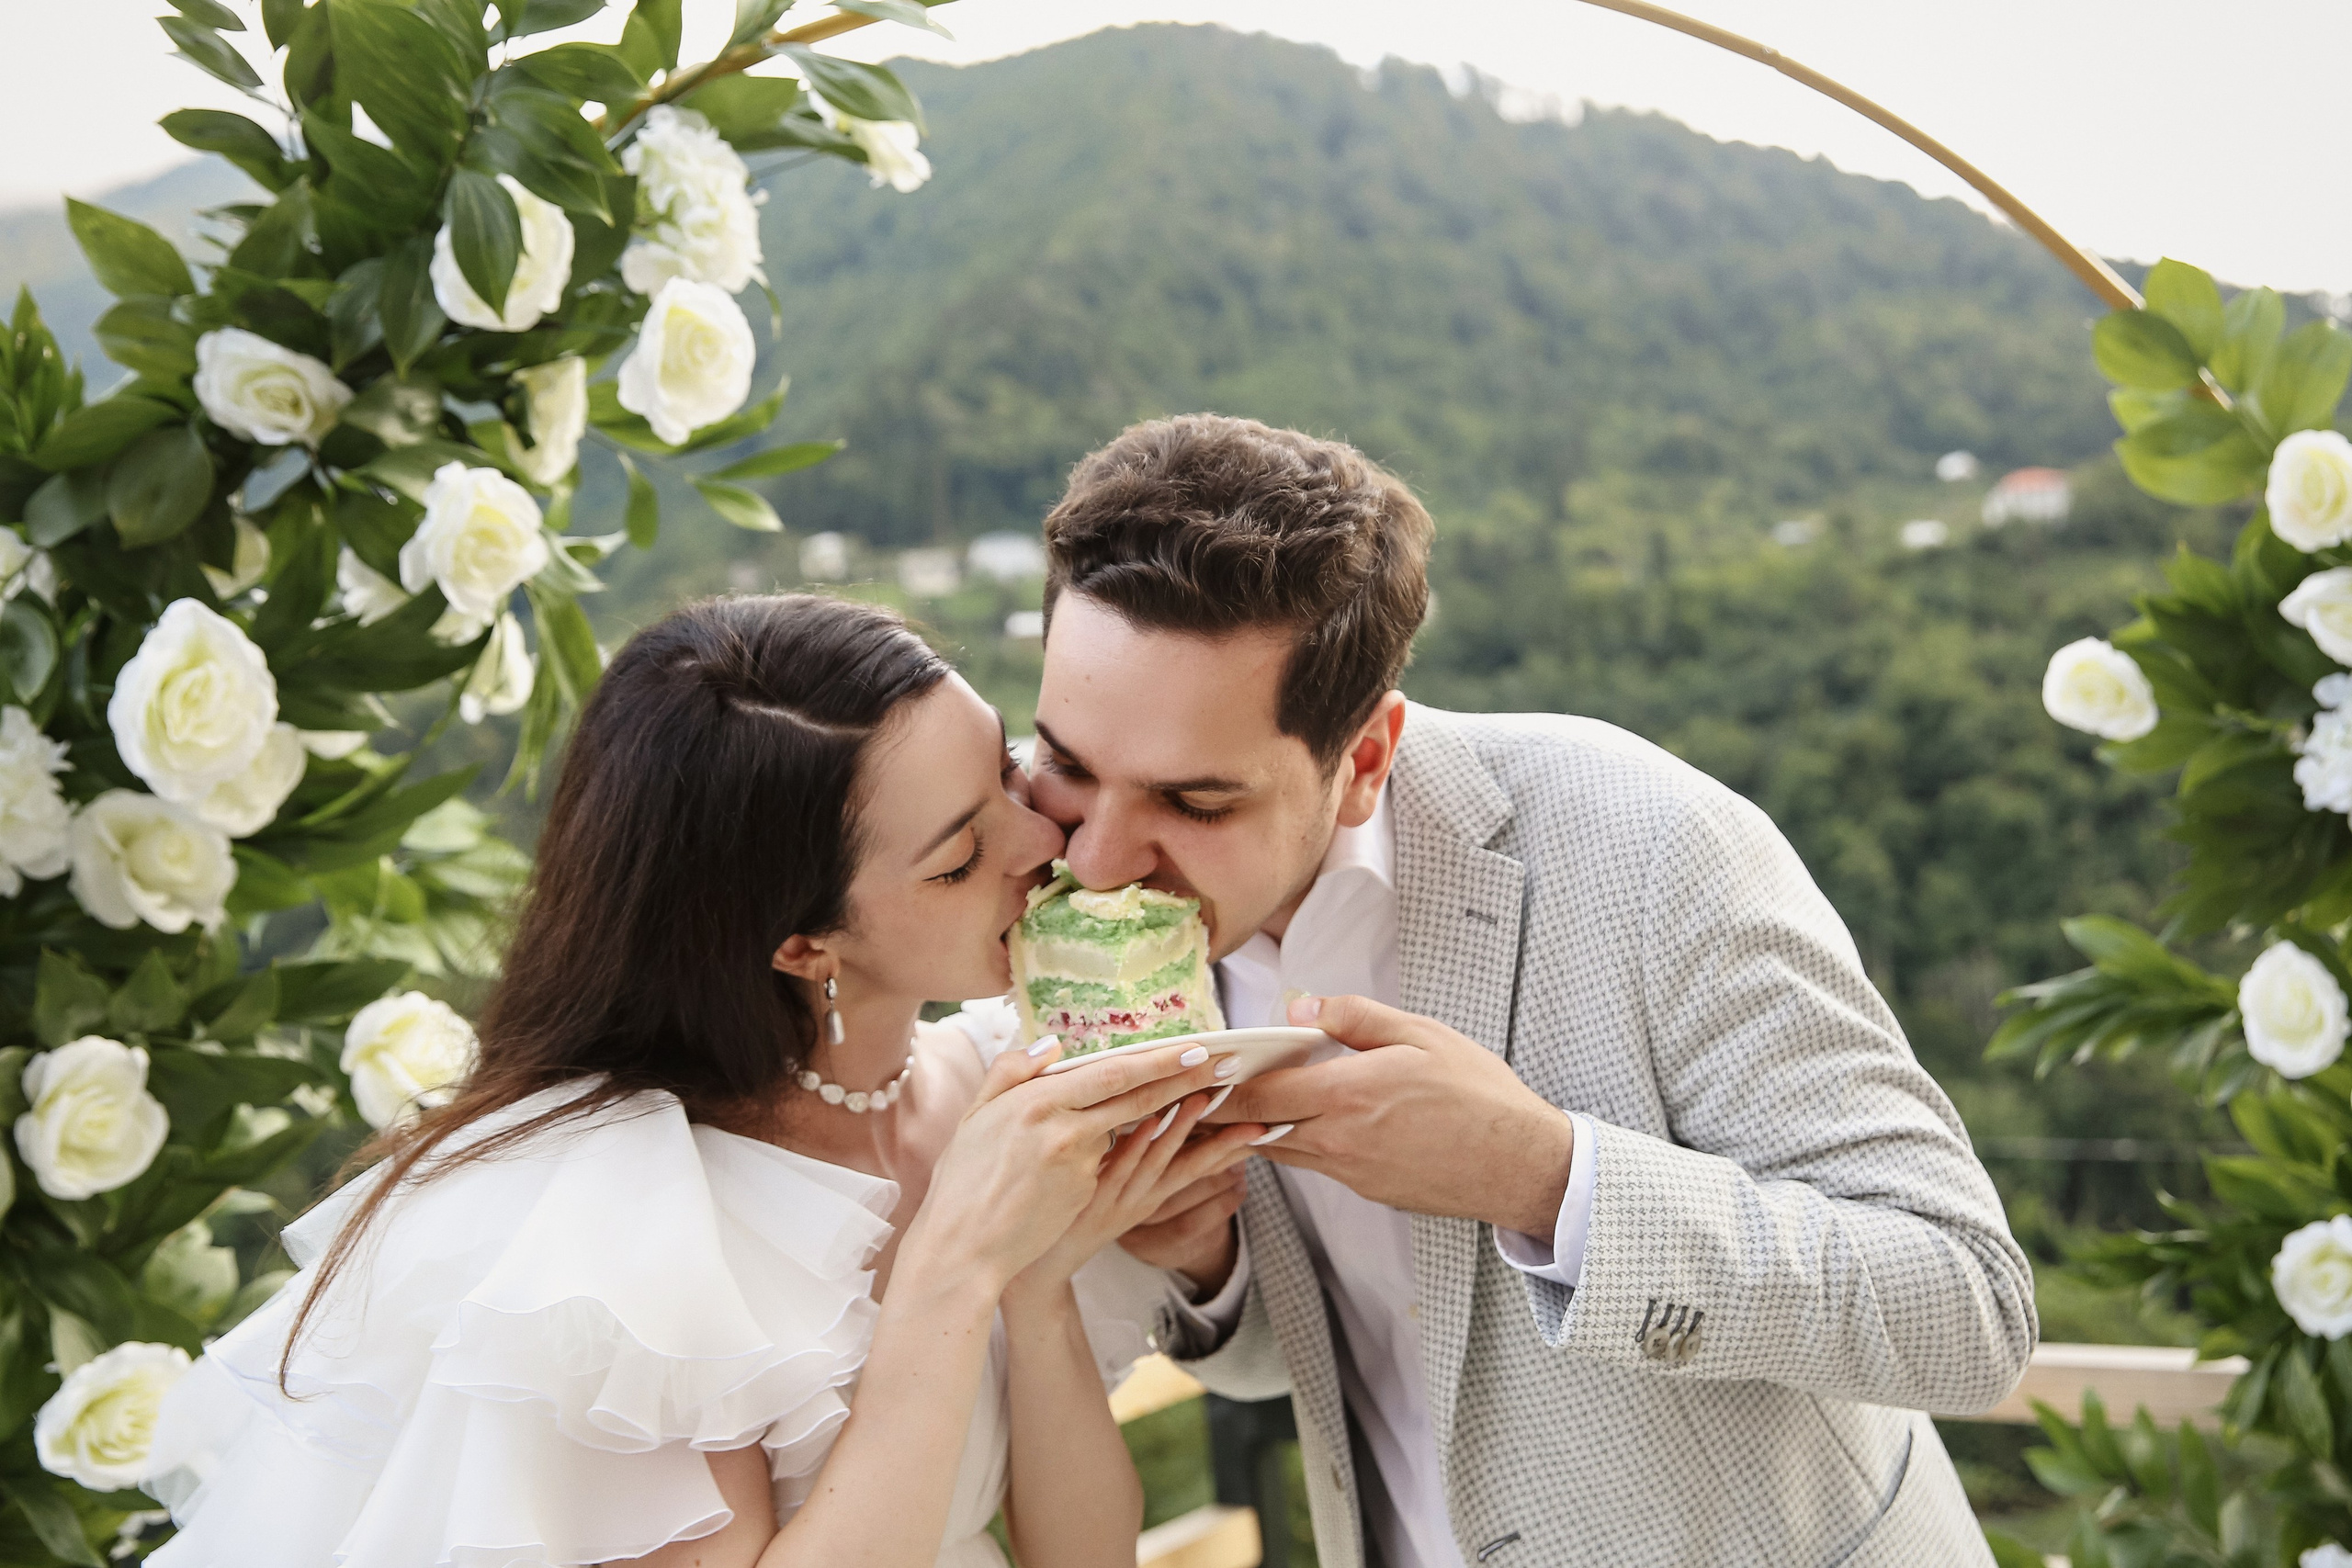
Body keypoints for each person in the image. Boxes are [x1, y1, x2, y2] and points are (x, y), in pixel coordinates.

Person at [1035, 416, 2038, 1568]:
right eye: (1065, 763)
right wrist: (1206, 1261)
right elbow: (1314, 1361)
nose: (1102, 857)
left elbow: (1969, 1311)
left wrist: (1541, 1175)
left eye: (1196, 804)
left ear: (1361, 761)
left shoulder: (1653, 843)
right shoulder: (1079, 926)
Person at [142, 594, 1264, 1568]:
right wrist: (956, 1267)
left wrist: (1034, 1277)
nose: (1044, 843)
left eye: (1009, 774)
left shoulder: (998, 1084)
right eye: (959, 856)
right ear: (801, 945)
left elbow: (1089, 1551)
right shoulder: (629, 1219)